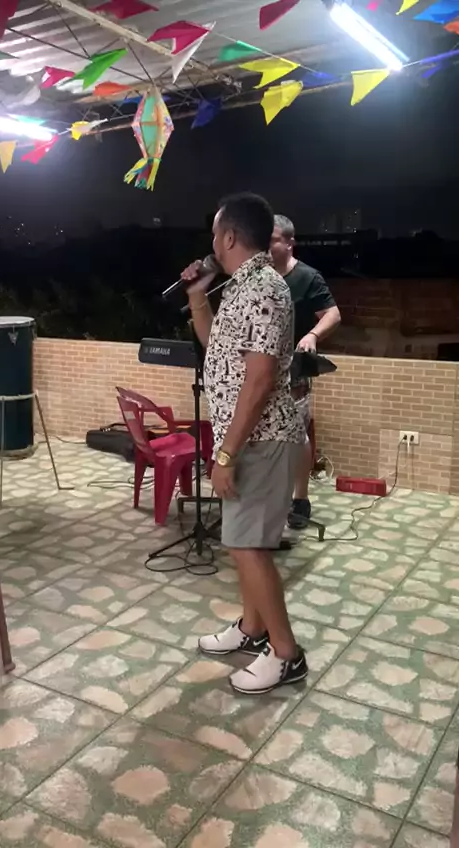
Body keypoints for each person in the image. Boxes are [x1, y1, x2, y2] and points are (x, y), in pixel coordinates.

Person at [181, 193, 308, 695]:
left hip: (262, 439)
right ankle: (252, 629)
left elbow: (259, 380)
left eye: (215, 233)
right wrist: (198, 294)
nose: (212, 241)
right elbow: (216, 346)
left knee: (247, 545)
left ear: (230, 236)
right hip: (245, 438)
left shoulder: (265, 289)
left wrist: (227, 454)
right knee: (241, 541)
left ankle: (286, 653)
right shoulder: (241, 286)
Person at [270, 215, 341, 529]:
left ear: (289, 242)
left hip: (293, 372)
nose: (265, 246)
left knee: (297, 436)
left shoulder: (307, 277)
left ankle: (300, 498)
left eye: (272, 240)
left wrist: (312, 335)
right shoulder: (256, 276)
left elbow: (333, 314)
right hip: (257, 369)